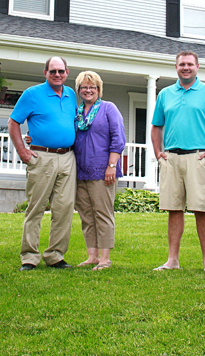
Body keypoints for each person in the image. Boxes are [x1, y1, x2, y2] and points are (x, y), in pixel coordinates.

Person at [152, 51, 205, 274]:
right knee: (173, 209)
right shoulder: (165, 94)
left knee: (201, 210)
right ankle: (172, 260)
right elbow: (156, 126)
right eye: (181, 64)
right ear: (176, 67)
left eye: (189, 64)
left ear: (197, 67)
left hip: (199, 158)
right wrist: (158, 153)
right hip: (171, 158)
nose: (185, 68)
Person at [9, 56, 77, 271]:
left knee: (64, 208)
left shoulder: (71, 95)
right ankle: (29, 257)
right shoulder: (32, 94)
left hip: (68, 157)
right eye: (53, 71)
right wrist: (22, 150)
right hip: (42, 157)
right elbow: (13, 122)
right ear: (45, 73)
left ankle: (55, 255)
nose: (57, 75)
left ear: (67, 73)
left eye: (61, 71)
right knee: (36, 208)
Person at [72, 71, 126, 271]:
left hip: (103, 171)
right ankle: (92, 256)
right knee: (86, 214)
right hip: (80, 171)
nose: (88, 90)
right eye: (84, 87)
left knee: (102, 213)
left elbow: (118, 138)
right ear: (79, 90)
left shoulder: (108, 108)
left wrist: (111, 166)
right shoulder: (77, 113)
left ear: (99, 89)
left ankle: (105, 259)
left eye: (92, 87)